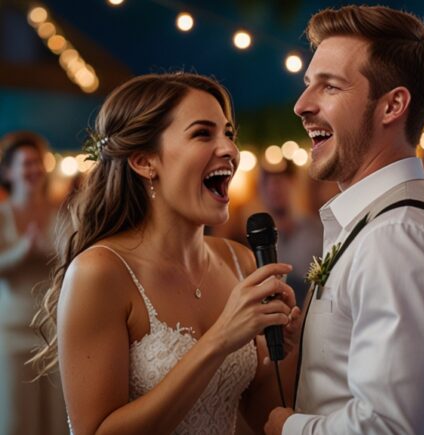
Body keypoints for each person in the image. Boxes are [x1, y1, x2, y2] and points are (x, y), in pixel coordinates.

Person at [31, 72, 302, 435]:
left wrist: (286, 350)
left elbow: (258, 416)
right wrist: (219, 340)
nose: (229, 150)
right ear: (145, 161)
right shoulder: (100, 272)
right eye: (203, 133)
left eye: (228, 134)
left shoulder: (239, 260)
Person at [265, 5, 424, 435]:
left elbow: (391, 427)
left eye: (330, 87)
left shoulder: (394, 236)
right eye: (308, 86)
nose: (302, 105)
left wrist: (289, 428)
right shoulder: (383, 224)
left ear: (393, 105)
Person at [0, 131, 69, 435]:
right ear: (8, 172)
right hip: (11, 335)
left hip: (53, 333)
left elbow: (73, 266)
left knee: (56, 422)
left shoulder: (61, 215)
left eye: (38, 163)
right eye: (25, 164)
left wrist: (52, 254)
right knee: (17, 423)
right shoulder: (2, 216)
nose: (33, 170)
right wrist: (22, 252)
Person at [258, 163, 323, 306]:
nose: (274, 190)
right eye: (269, 187)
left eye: (279, 184)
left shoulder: (315, 230)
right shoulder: (260, 240)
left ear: (292, 185)